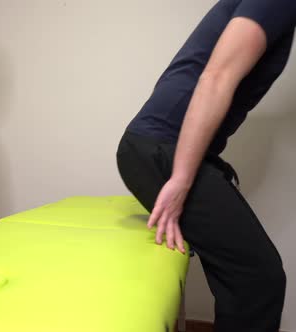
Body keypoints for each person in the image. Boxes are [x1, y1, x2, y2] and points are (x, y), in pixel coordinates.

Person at [116, 0, 296, 330]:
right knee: (259, 278)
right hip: (157, 148)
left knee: (246, 274)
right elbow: (215, 77)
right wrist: (182, 178)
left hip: (157, 146)